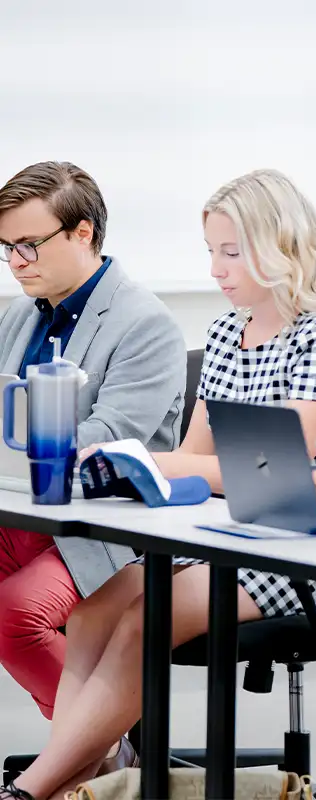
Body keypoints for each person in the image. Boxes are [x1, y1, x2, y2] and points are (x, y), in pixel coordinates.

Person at [2, 168, 316, 800]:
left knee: (145, 624)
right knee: (92, 616)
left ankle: (34, 789)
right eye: (211, 252)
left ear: (280, 247)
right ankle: (85, 782)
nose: (215, 270)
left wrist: (165, 464)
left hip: (299, 545)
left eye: (231, 253)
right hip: (223, 530)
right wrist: (142, 463)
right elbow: (199, 455)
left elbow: (271, 468)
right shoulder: (228, 331)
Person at [0, 162, 185, 721]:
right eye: (6, 247)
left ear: (83, 233)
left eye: (28, 245)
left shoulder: (144, 323)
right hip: (23, 511)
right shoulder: (18, 317)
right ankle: (99, 760)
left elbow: (107, 441)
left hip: (104, 526)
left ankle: (107, 755)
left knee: (14, 615)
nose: (15, 263)